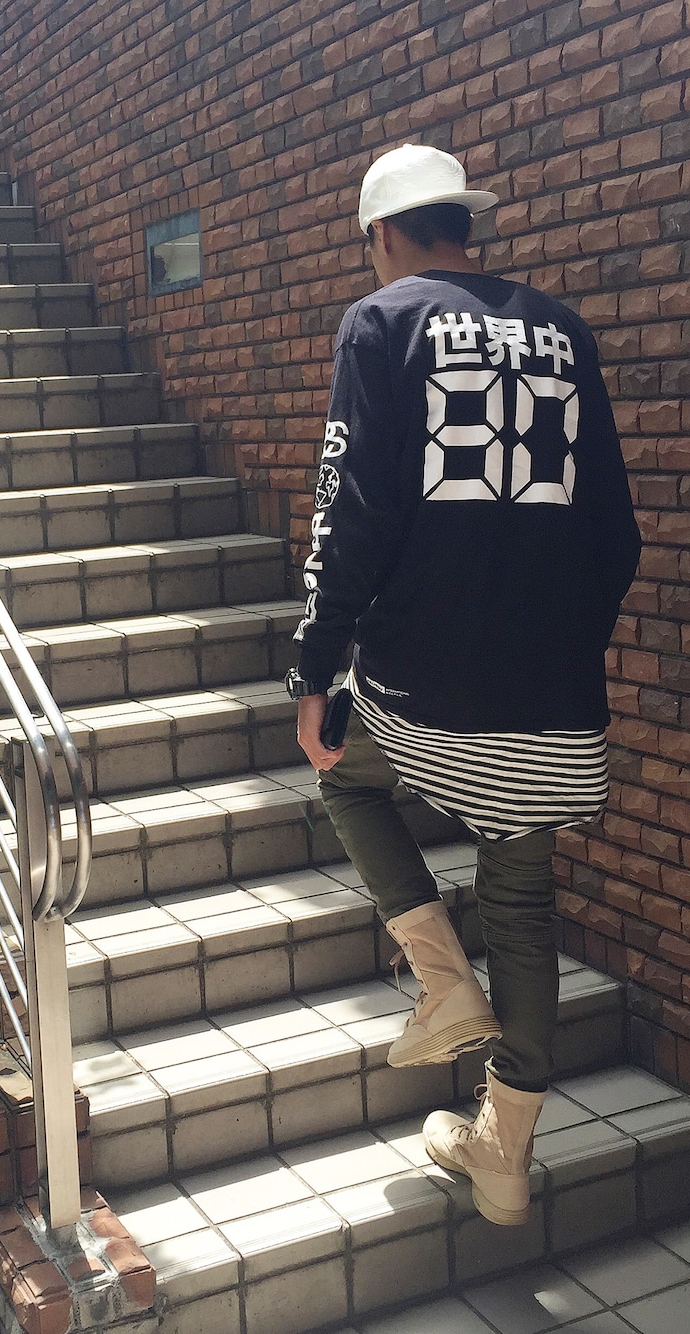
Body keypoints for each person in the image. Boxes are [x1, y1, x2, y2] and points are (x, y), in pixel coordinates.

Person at [287, 143, 641, 1226]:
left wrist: (315, 664)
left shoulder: (381, 322)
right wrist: (561, 651)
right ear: (462, 224)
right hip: (551, 697)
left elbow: (351, 511)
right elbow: (615, 533)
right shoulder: (563, 331)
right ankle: (503, 1154)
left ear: (383, 234)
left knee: (344, 776)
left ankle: (442, 984)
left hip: (421, 680)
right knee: (522, 902)